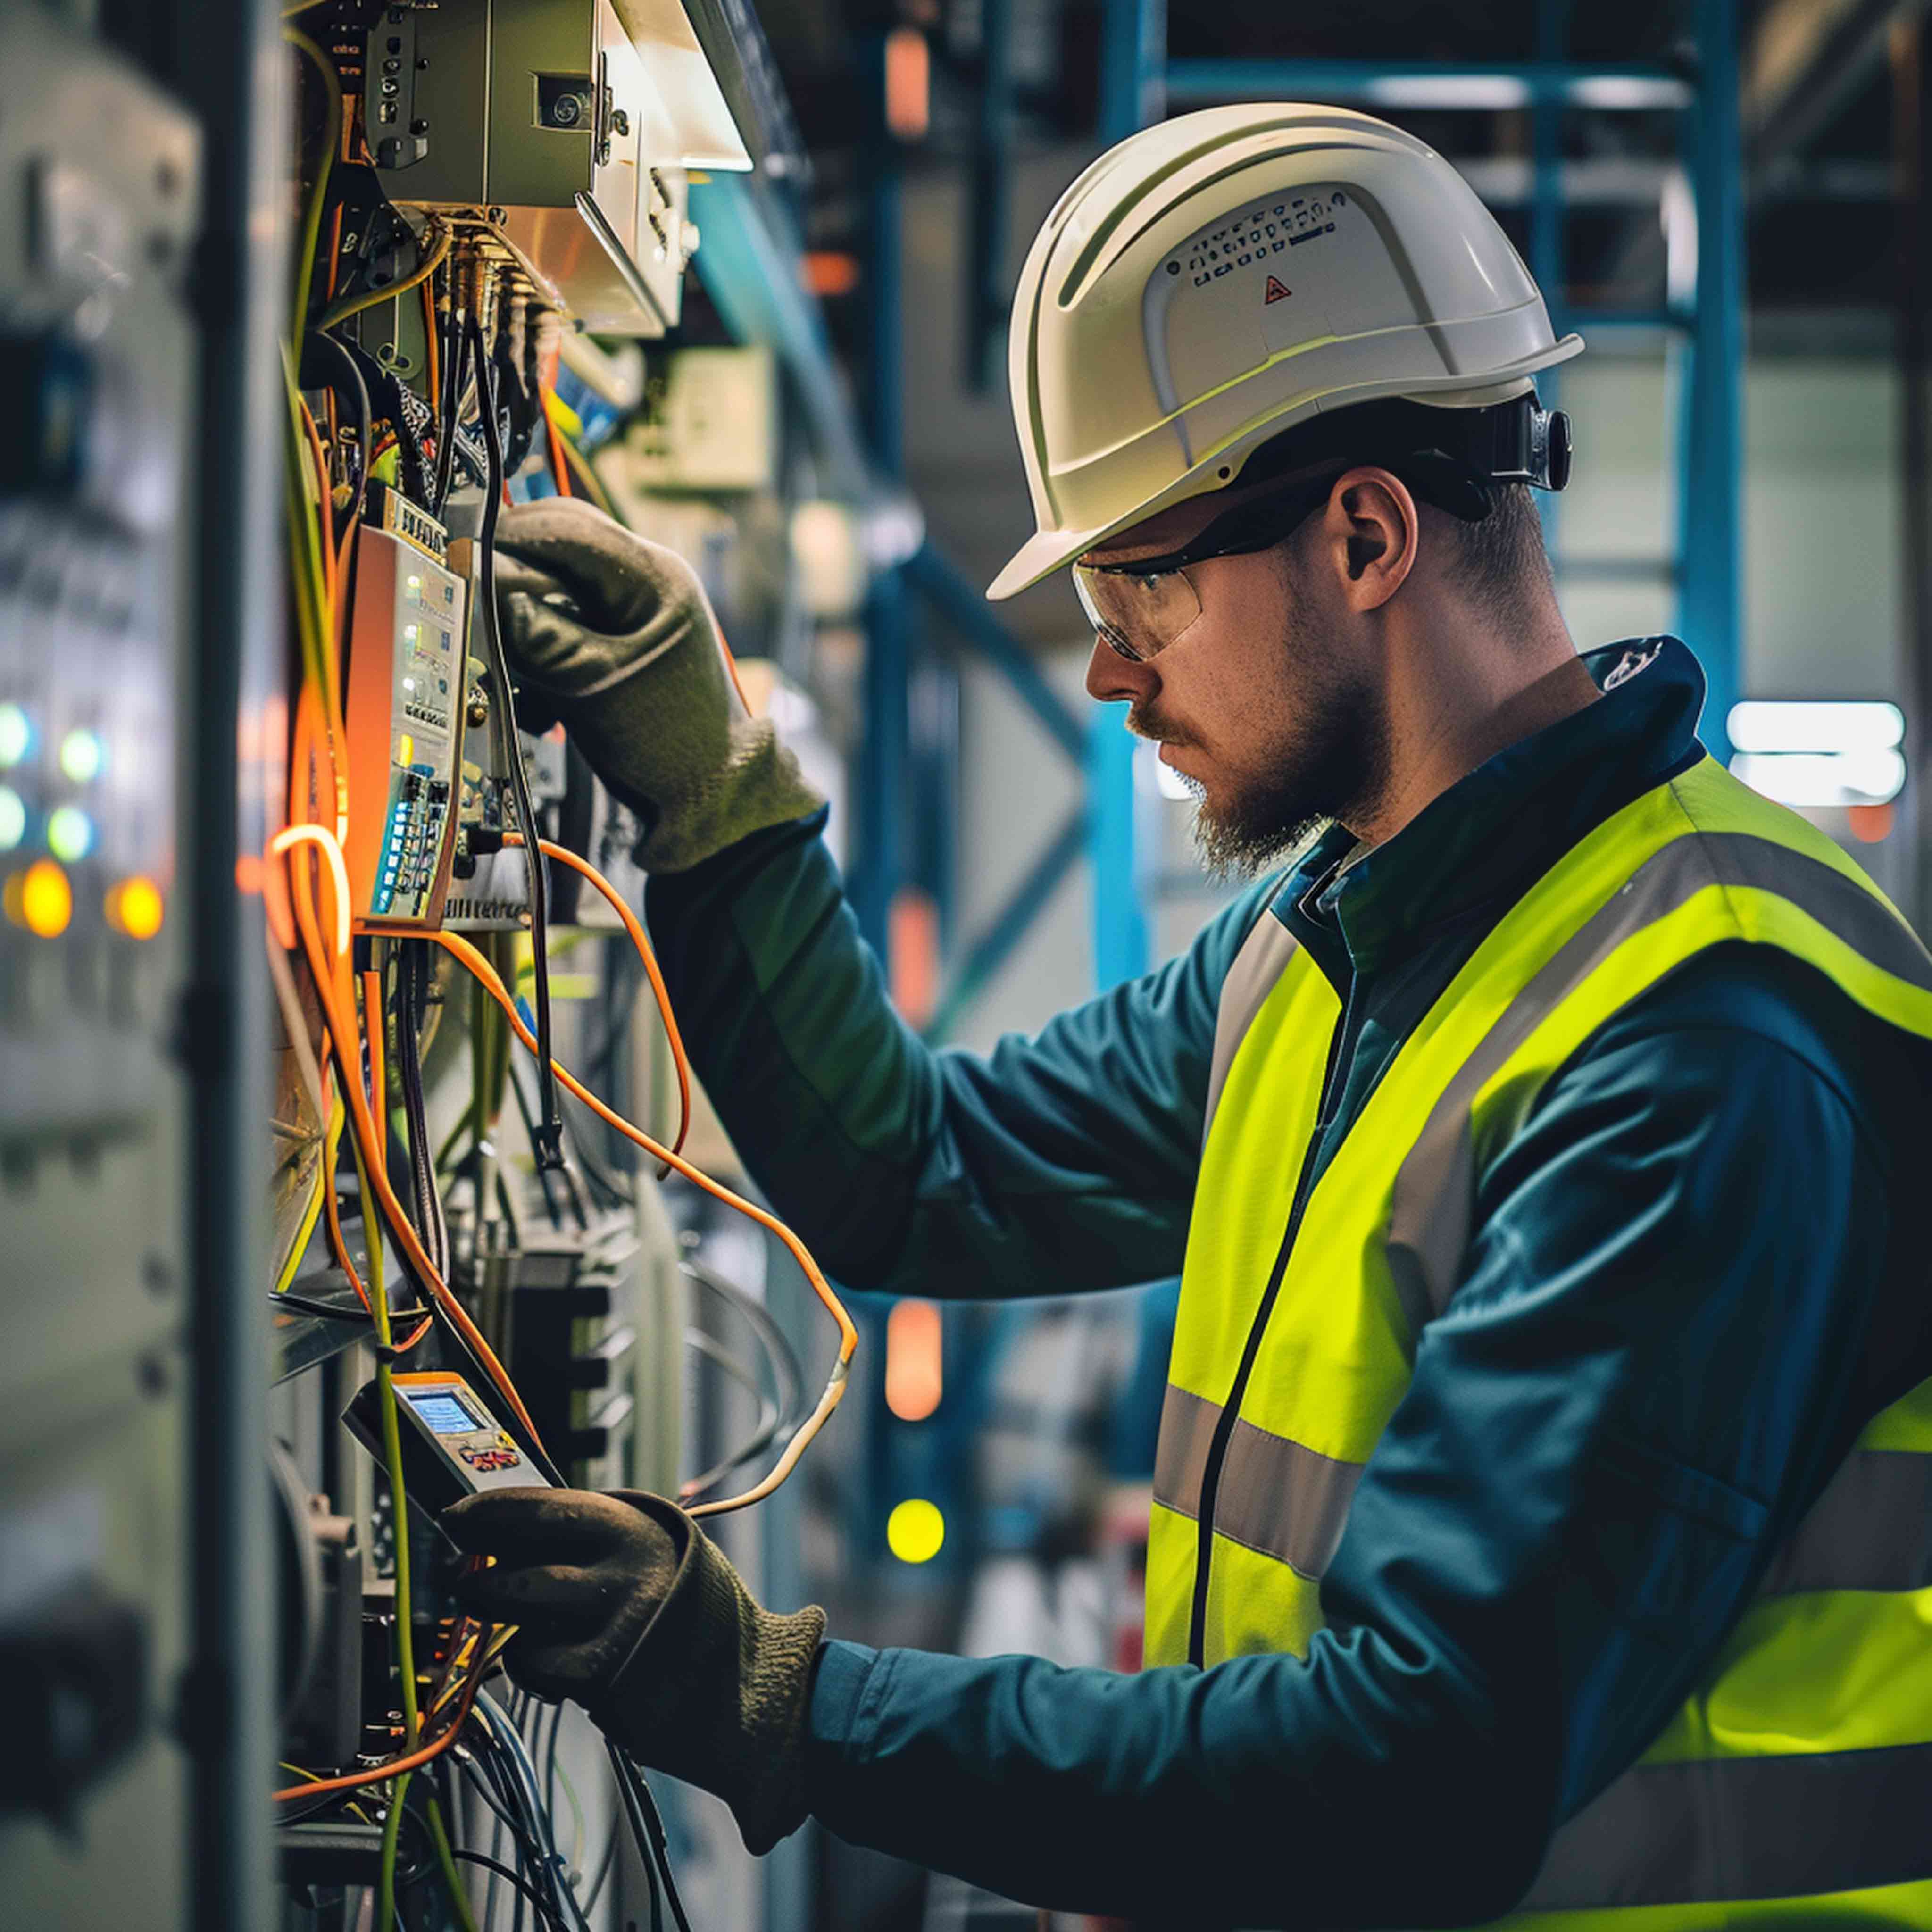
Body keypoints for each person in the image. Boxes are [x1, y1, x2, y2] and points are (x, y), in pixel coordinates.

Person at [443, 104, 1932, 1926]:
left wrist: (777, 1702)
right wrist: (715, 785)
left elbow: (1414, 1763)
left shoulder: (1706, 1041)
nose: (1105, 663)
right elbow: (920, 1170)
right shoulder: (1324, 946)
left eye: (1140, 581)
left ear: (1368, 534)